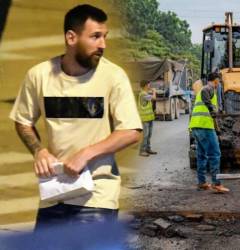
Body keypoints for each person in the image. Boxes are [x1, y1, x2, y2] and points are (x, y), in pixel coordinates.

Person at [9, 4, 142, 228]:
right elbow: (22, 120)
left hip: (96, 198)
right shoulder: (39, 75)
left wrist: (86, 154)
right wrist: (38, 151)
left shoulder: (113, 76)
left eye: (105, 37)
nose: (103, 45)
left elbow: (131, 131)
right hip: (54, 194)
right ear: (71, 38)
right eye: (95, 37)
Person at [189, 72, 230, 193]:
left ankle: (202, 182)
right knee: (215, 154)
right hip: (204, 127)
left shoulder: (203, 89)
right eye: (219, 80)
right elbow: (206, 96)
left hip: (196, 126)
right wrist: (213, 109)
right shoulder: (208, 88)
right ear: (216, 80)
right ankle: (216, 184)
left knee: (201, 155)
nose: (220, 83)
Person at [138, 80, 157, 157]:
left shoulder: (145, 93)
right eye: (149, 85)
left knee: (149, 134)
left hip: (149, 118)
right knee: (145, 135)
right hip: (145, 118)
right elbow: (154, 98)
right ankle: (142, 150)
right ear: (146, 85)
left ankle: (148, 149)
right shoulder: (143, 94)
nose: (150, 86)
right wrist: (154, 91)